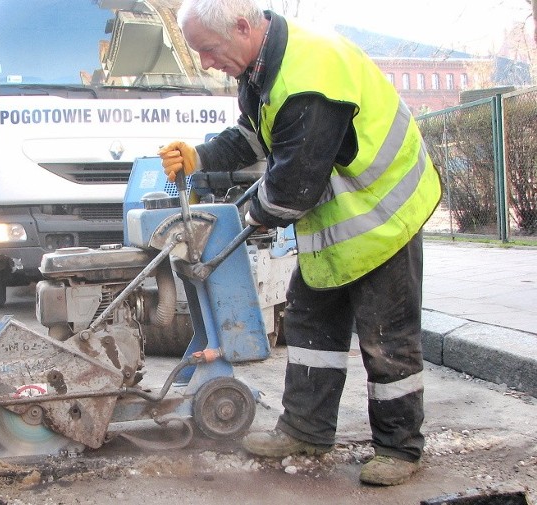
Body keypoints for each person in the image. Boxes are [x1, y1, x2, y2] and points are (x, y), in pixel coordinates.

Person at [159, 0, 442, 487]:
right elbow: (254, 141)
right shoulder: (261, 69)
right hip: (339, 220)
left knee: (385, 339)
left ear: (243, 27)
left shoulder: (311, 74)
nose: (206, 62)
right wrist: (199, 156)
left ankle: (400, 449)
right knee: (310, 323)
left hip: (386, 214)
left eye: (207, 50)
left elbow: (293, 189)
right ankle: (306, 431)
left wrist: (245, 218)